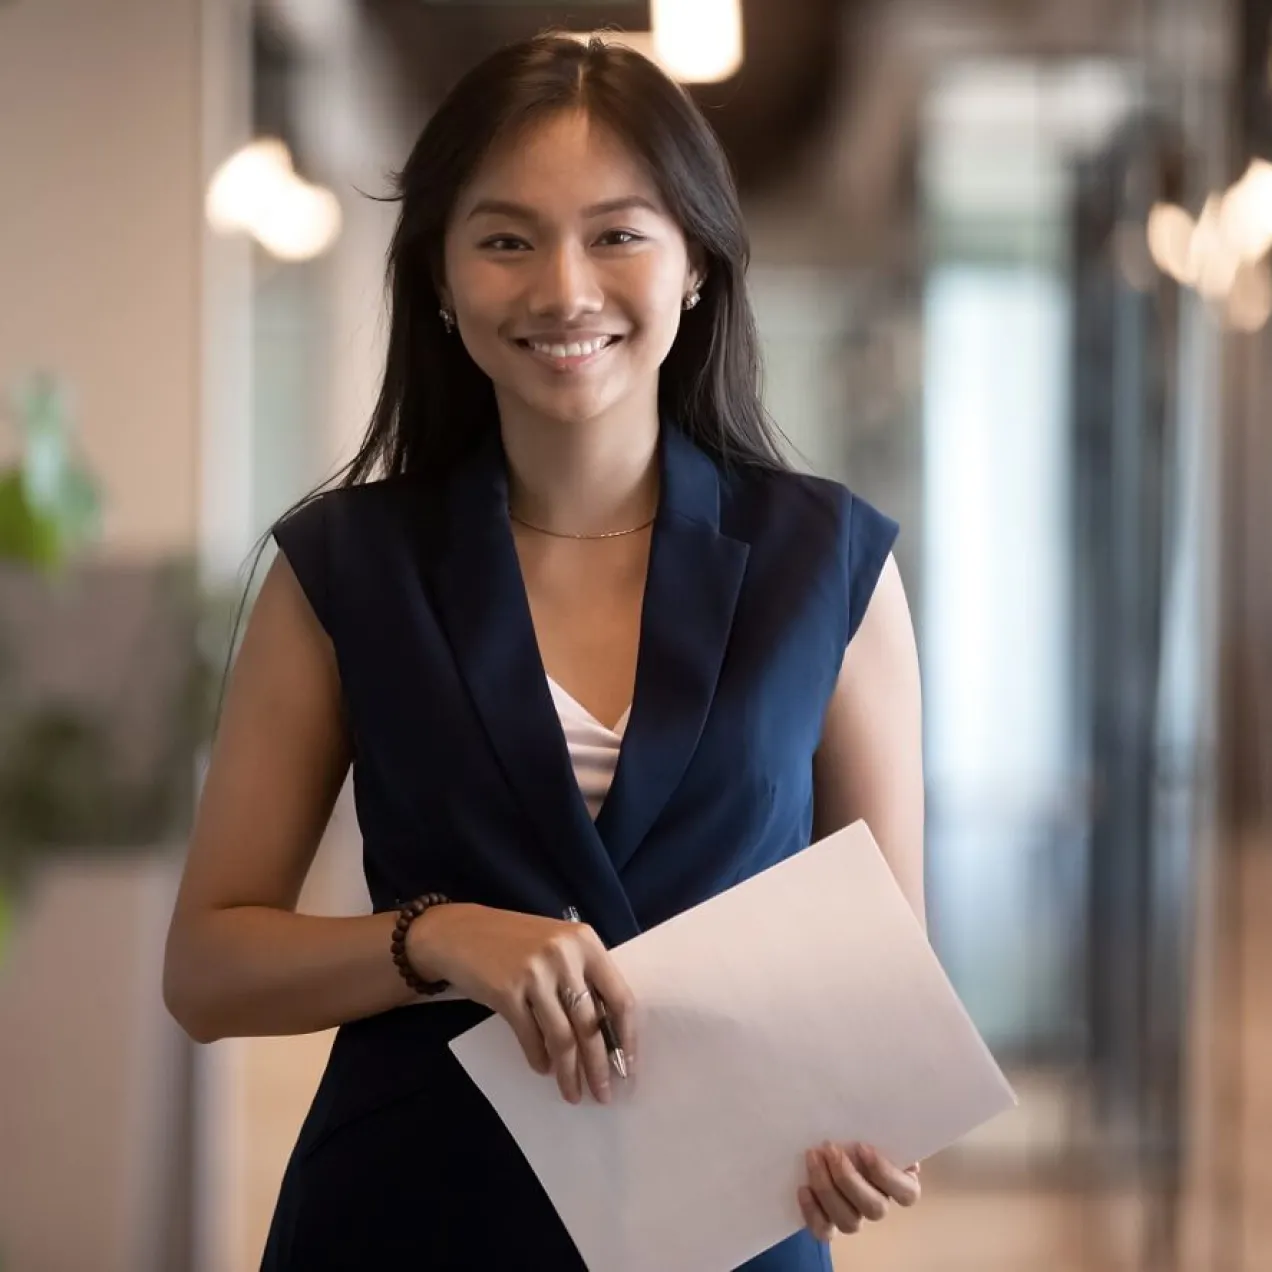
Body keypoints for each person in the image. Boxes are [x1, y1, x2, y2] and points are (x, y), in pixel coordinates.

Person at [163, 32, 926, 1271]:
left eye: (617, 234)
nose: (565, 289)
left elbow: (887, 987)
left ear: (694, 264)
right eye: (507, 240)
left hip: (730, 1229)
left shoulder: (828, 562)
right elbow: (207, 970)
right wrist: (436, 938)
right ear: (441, 277)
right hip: (410, 1219)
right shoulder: (342, 568)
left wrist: (872, 1128)